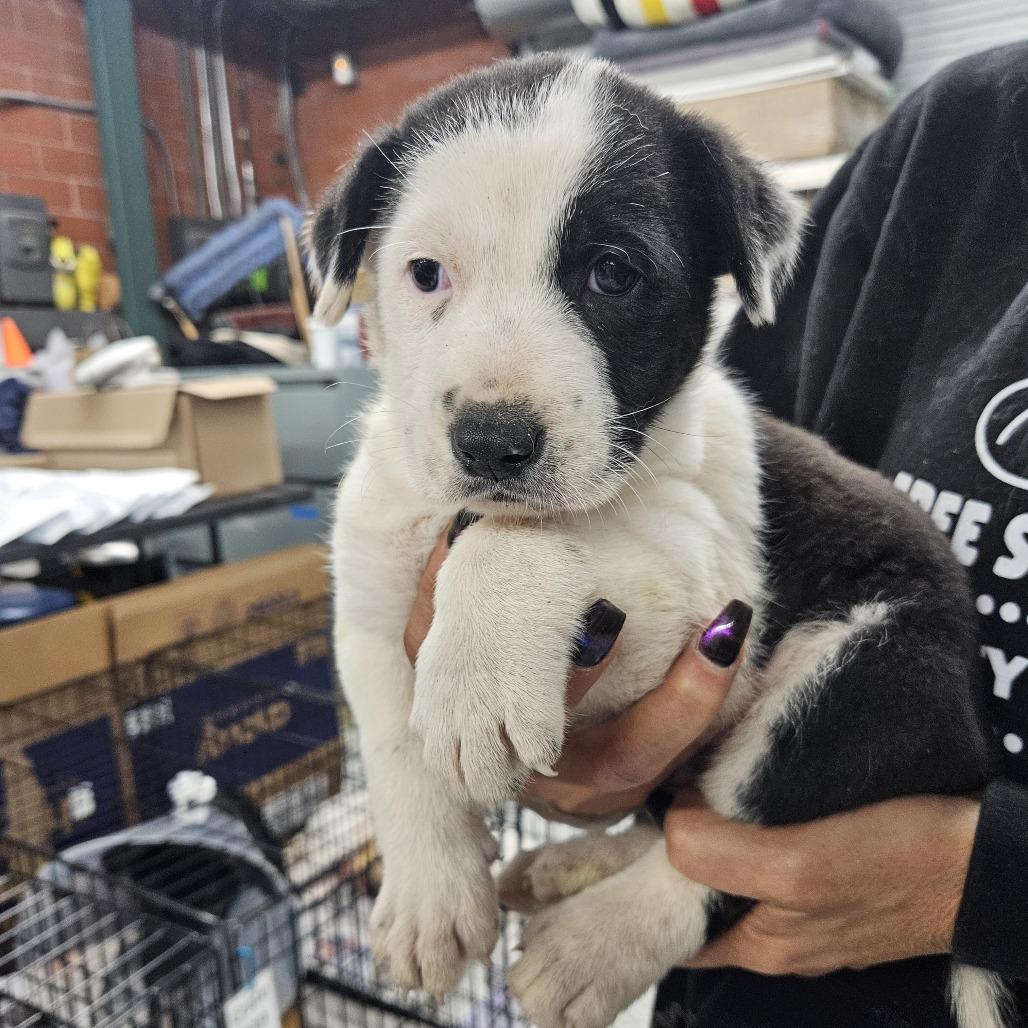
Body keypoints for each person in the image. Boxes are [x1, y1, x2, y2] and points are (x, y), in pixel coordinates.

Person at [404, 42, 1028, 1027]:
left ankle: (673, 886)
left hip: (876, 658)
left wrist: (984, 883)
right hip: (740, 996)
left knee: (874, 654)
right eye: (430, 275)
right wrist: (607, 753)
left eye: (610, 271)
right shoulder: (951, 136)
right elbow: (700, 578)